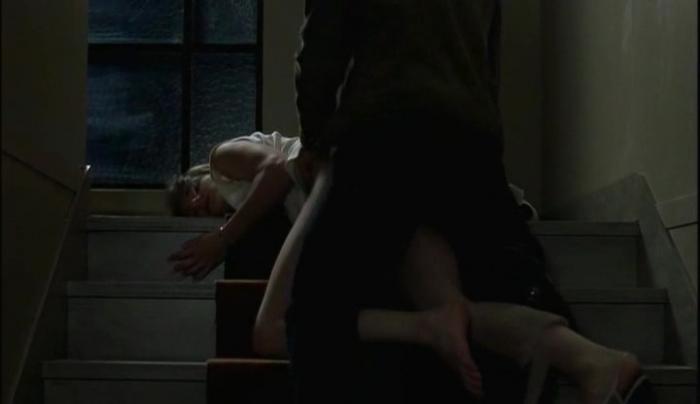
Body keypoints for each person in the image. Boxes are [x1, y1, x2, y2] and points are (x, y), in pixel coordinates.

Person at [285, 0, 654, 403]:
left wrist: (315, 140)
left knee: (313, 317)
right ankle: (587, 360)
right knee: (493, 284)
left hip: (382, 131)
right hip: (469, 136)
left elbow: (320, 46)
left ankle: (572, 358)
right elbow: (487, 55)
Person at [166, 131, 652, 403]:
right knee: (450, 308)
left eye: (193, 193)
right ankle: (593, 362)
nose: (199, 205)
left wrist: (221, 240)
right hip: (372, 197)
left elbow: (277, 167)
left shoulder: (222, 158)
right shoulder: (248, 211)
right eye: (193, 214)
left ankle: (578, 360)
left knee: (275, 331)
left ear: (198, 175)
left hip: (342, 193)